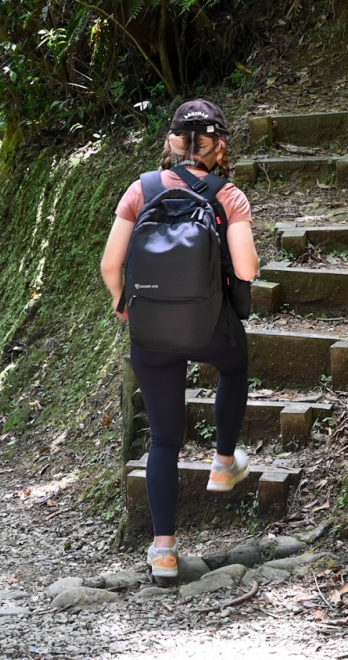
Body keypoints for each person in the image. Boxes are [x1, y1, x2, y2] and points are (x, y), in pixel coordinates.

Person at [99, 99, 260, 581]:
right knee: (234, 365)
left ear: (171, 143)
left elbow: (111, 266)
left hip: (150, 330)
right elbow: (248, 269)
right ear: (219, 147)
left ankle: (164, 553)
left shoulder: (140, 190)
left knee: (165, 439)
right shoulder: (228, 195)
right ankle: (223, 462)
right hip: (210, 325)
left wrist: (122, 302)